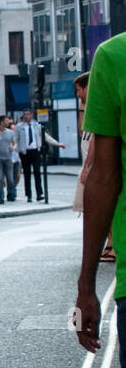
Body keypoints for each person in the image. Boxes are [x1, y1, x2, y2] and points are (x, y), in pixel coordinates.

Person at [73, 33, 126, 368]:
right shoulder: (113, 58)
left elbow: (104, 175)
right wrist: (87, 283)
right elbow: (102, 174)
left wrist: (87, 286)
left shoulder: (114, 56)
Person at [75, 72, 116, 258]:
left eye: (78, 90)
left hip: (96, 166)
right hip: (91, 165)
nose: (77, 95)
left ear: (86, 88)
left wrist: (87, 167)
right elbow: (83, 132)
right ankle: (110, 243)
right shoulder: (90, 106)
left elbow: (95, 139)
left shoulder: (101, 105)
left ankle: (111, 245)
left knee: (103, 208)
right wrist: (83, 107)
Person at [16, 109, 64, 202]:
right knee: (27, 174)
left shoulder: (37, 126)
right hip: (25, 152)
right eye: (25, 114)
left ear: (31, 115)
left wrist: (58, 144)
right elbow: (16, 139)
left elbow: (45, 137)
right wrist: (17, 150)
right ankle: (28, 195)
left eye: (28, 114)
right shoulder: (19, 127)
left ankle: (39, 194)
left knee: (37, 173)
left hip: (35, 151)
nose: (26, 116)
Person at [0, 114, 19, 205]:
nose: (8, 122)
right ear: (1, 122)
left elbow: (15, 143)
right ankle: (0, 197)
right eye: (6, 121)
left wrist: (13, 148)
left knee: (10, 178)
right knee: (0, 178)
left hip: (8, 157)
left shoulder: (10, 133)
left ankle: (10, 194)